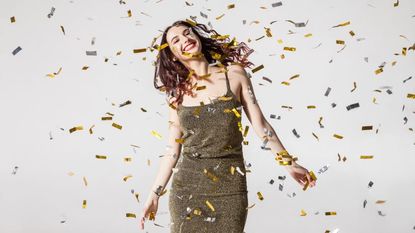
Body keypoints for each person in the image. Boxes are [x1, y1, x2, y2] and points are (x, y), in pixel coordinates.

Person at [139, 19, 316, 232]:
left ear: (197, 37)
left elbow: (261, 126)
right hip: (187, 187)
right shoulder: (176, 94)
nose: (185, 39)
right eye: (176, 40)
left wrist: (290, 164)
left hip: (230, 188)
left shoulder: (233, 73)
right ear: (173, 55)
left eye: (188, 33)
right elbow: (171, 152)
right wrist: (154, 195)